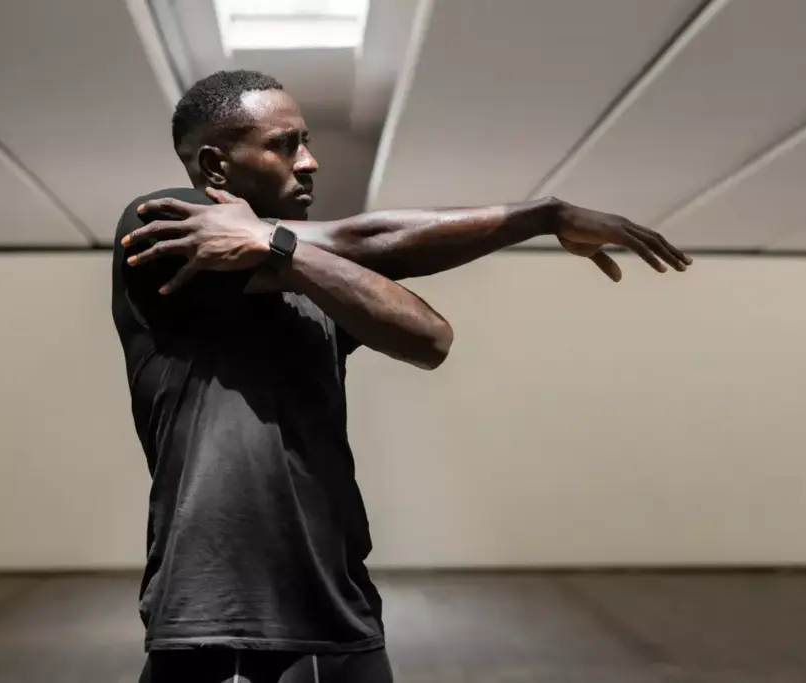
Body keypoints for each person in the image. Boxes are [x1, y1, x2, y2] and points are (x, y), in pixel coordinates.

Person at [112, 70, 691, 683]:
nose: (308, 162)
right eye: (284, 145)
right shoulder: (162, 228)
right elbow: (362, 239)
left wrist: (278, 246)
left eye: (306, 141)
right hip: (220, 622)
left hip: (343, 612)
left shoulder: (309, 281)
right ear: (215, 165)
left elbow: (429, 336)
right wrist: (542, 216)